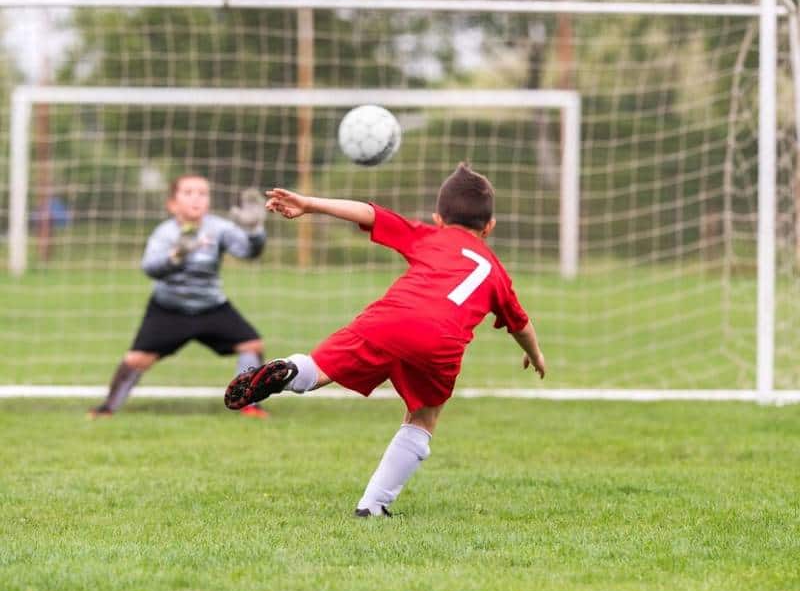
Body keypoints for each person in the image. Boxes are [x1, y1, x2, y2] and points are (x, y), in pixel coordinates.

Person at [225, 163, 546, 515]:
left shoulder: (429, 235)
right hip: (441, 342)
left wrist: (309, 204)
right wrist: (536, 354)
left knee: (318, 370)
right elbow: (521, 324)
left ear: (438, 218)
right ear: (490, 227)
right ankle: (373, 506)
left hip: (389, 319)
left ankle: (287, 371)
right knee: (423, 417)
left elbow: (369, 213)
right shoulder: (496, 272)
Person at [89, 175, 270, 419]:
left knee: (252, 345)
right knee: (136, 360)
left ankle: (249, 404)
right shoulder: (164, 233)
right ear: (172, 204)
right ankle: (107, 408)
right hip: (168, 309)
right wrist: (175, 256)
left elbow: (249, 252)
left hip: (211, 307)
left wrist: (255, 230)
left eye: (202, 193)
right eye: (188, 192)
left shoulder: (219, 228)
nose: (196, 198)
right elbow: (150, 268)